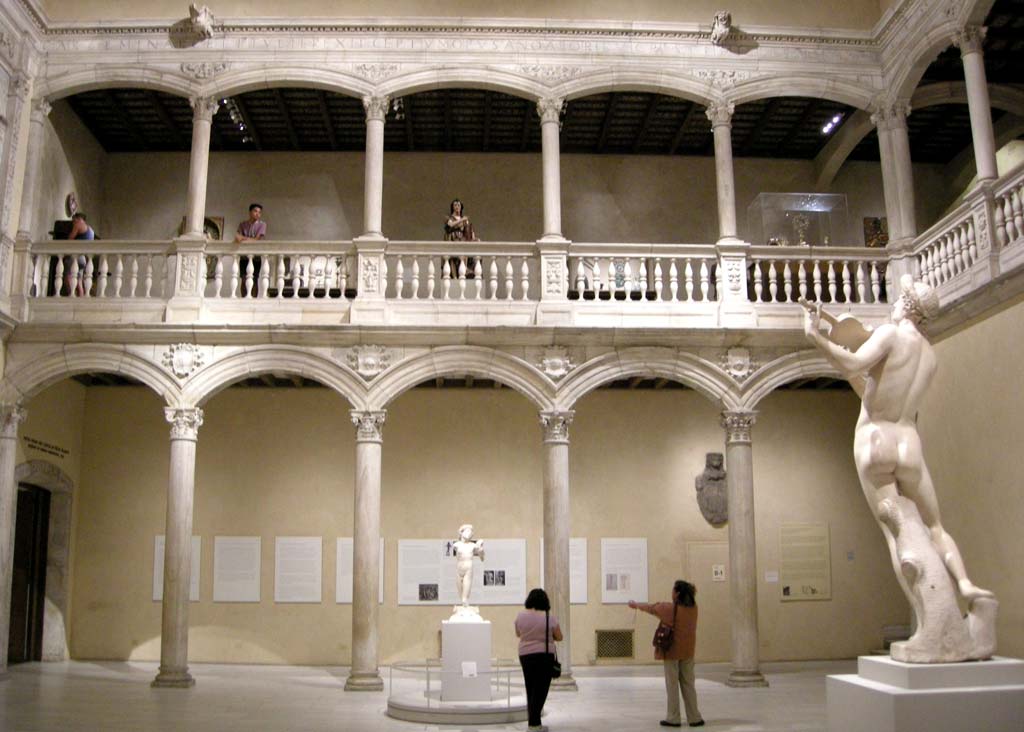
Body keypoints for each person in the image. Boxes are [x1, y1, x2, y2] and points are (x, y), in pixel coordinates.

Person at [802, 276, 992, 603]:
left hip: (875, 437)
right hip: (908, 442)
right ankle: (964, 584)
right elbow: (879, 391)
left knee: (895, 535)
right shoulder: (930, 356)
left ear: (905, 305)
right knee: (935, 527)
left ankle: (923, 619)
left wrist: (815, 337)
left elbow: (852, 365)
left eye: (898, 298)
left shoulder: (890, 335)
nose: (893, 303)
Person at [629, 580, 704, 728]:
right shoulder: (693, 609)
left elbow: (652, 608)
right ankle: (695, 717)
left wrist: (636, 605)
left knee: (672, 685)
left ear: (677, 593)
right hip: (688, 651)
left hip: (672, 652)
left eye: (672, 590)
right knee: (689, 684)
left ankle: (673, 718)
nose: (671, 593)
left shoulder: (670, 609)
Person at [515, 588, 563, 732]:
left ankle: (534, 723)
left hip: (525, 655)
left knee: (530, 688)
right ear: (545, 601)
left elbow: (518, 634)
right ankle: (534, 724)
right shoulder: (549, 617)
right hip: (544, 655)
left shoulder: (520, 616)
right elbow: (559, 637)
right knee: (541, 689)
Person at [234, 203, 266, 296]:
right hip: (244, 256)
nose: (257, 214)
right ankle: (244, 298)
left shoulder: (262, 224)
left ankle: (254, 300)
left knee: (254, 279)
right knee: (244, 279)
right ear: (250, 212)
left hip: (256, 256)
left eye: (259, 212)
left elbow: (257, 239)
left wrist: (243, 238)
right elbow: (237, 237)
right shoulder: (243, 224)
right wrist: (241, 238)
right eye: (255, 211)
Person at [443, 198, 478, 279]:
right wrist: (462, 220)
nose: (457, 207)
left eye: (459, 205)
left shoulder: (464, 219)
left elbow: (469, 230)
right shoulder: (449, 218)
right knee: (451, 258)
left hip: (461, 239)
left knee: (464, 252)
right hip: (452, 239)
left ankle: (465, 269)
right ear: (452, 207)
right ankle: (454, 276)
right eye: (455, 205)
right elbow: (451, 225)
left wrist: (473, 237)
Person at [452, 523, 485, 607]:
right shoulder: (456, 545)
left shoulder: (473, 546)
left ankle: (465, 602)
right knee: (460, 593)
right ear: (461, 533)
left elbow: (482, 558)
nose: (469, 533)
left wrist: (480, 549)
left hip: (468, 568)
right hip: (459, 568)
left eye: (470, 532)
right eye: (467, 531)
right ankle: (463, 608)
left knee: (464, 597)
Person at [64, 212, 95, 296]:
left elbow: (70, 239)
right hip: (83, 258)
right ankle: (80, 298)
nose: (73, 222)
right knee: (79, 280)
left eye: (74, 220)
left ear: (78, 218)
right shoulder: (91, 230)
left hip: (75, 256)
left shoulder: (78, 224)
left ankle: (71, 296)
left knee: (68, 276)